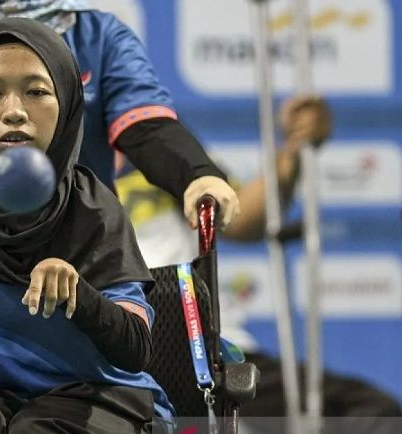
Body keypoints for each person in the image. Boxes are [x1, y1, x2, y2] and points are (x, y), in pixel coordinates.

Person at [0, 0, 239, 361]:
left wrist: (197, 175)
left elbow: (147, 128)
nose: (14, 112)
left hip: (85, 260)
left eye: (36, 91)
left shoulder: (97, 37)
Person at [0, 18, 180, 433]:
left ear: (66, 102)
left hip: (102, 397)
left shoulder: (96, 209)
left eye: (37, 92)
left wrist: (79, 294)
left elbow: (134, 349)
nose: (14, 112)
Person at [116, 96, 402, 432]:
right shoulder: (63, 160)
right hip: (114, 355)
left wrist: (294, 151)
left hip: (205, 350)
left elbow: (241, 216)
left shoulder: (155, 135)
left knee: (373, 414)